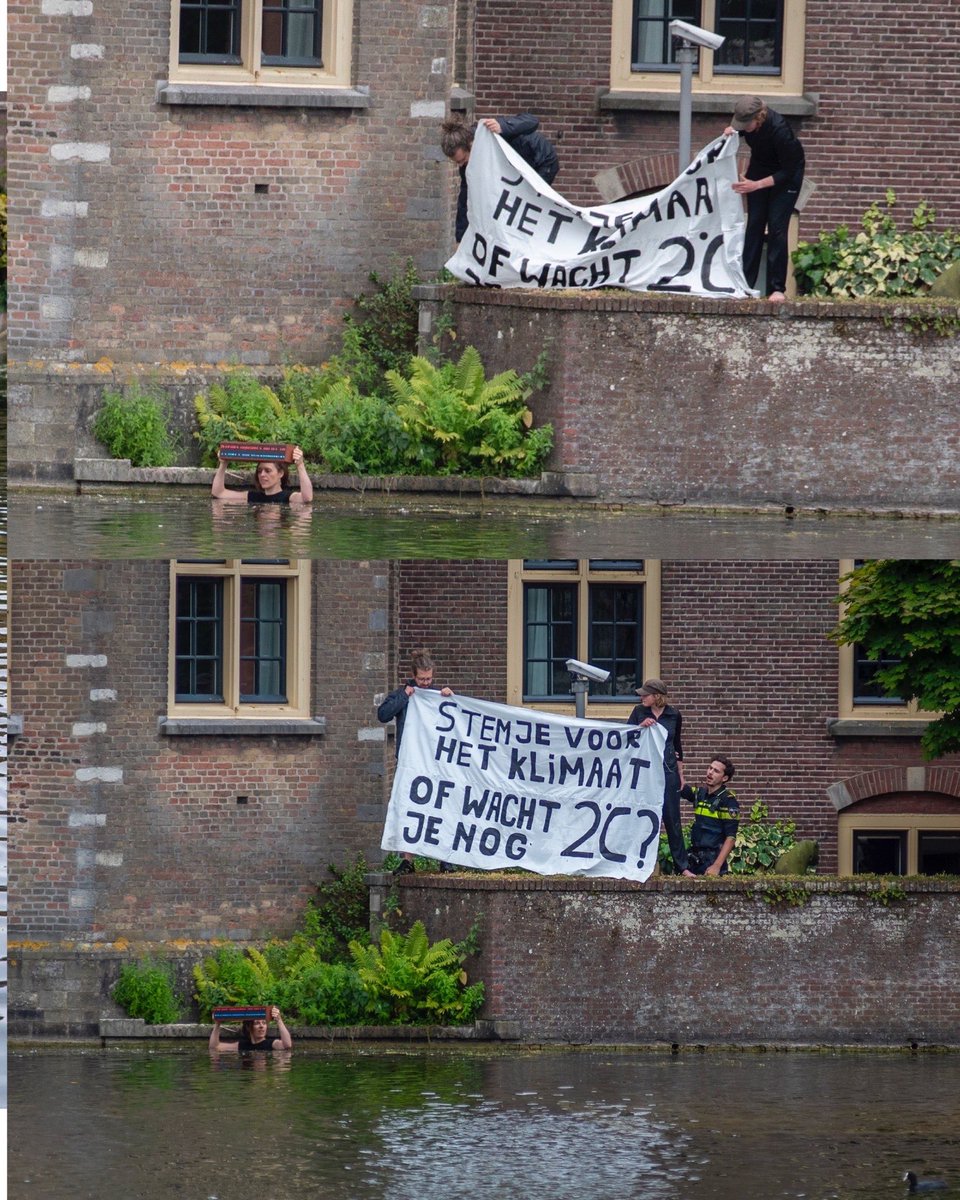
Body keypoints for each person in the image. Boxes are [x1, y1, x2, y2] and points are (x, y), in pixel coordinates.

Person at [378, 649, 454, 874]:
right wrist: (405, 696)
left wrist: (452, 698)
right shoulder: (403, 694)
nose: (426, 683)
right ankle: (408, 860)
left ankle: (444, 858)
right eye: (422, 679)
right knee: (409, 809)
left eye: (429, 679)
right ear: (413, 675)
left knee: (440, 809)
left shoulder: (439, 696)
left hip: (436, 764)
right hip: (410, 763)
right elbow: (383, 714)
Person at [723, 95, 805, 303]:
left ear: (758, 118)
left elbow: (788, 170)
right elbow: (740, 130)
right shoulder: (748, 124)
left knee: (777, 228)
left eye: (745, 124)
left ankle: (776, 288)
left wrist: (756, 185)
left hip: (786, 176)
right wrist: (732, 131)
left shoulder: (780, 131)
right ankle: (745, 284)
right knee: (754, 225)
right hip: (760, 167)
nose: (743, 127)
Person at [440, 114, 559, 244]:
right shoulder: (467, 165)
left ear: (470, 144)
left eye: (462, 159)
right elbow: (465, 197)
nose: (461, 165)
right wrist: (461, 238)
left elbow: (532, 121)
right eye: (457, 162)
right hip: (517, 173)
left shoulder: (491, 131)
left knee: (526, 208)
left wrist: (504, 126)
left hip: (541, 162)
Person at [628, 678, 687, 874]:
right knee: (640, 817)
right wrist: (640, 727)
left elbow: (677, 745)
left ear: (657, 696)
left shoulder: (674, 715)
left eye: (646, 694)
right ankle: (635, 863)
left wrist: (681, 774)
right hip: (644, 772)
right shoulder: (639, 712)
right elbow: (626, 737)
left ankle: (682, 867)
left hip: (668, 771)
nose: (642, 697)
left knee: (672, 818)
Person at [679, 756, 740, 877]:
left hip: (713, 861)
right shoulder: (699, 794)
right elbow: (679, 785)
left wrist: (716, 866)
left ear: (724, 778)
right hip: (695, 859)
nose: (710, 772)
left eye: (716, 771)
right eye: (710, 768)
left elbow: (731, 838)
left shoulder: (728, 801)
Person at [211, 445, 313, 506]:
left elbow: (307, 498)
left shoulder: (288, 497)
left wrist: (300, 465)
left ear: (280, 473)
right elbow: (218, 493)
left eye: (268, 471)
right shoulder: (253, 497)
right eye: (259, 471)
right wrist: (223, 464)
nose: (262, 475)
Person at [208, 1004, 293, 1052]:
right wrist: (217, 1024)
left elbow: (287, 1045)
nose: (261, 1026)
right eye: (257, 1023)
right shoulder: (242, 1045)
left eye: (264, 1023)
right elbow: (214, 1047)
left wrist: (279, 1020)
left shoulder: (272, 1044)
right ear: (248, 1027)